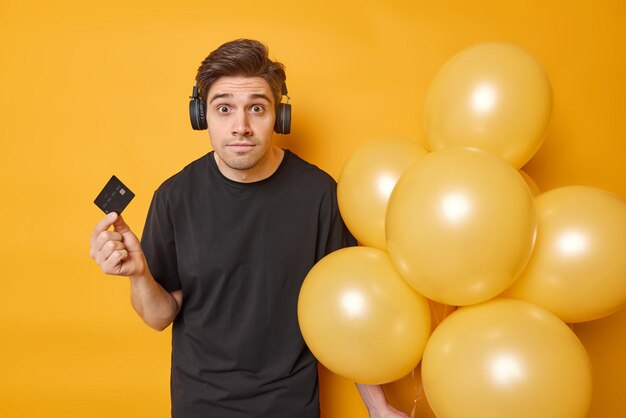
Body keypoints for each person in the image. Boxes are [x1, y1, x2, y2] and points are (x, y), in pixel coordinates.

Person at [90, 38, 408, 418]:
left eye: (256, 108)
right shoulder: (174, 197)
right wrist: (139, 274)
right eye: (224, 108)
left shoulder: (320, 195)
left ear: (280, 116)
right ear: (201, 116)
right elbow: (159, 317)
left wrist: (379, 408)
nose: (240, 127)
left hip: (290, 405)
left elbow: (346, 311)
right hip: (200, 406)